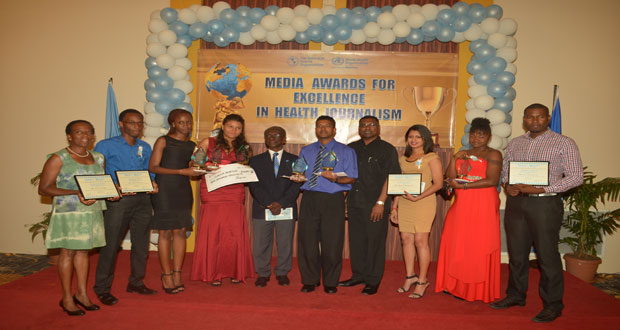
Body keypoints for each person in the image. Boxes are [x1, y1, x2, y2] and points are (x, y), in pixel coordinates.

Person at [491, 103, 583, 323]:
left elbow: (575, 176)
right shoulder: (515, 143)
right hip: (517, 203)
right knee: (517, 253)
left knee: (547, 255)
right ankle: (515, 295)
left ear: (548, 118)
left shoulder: (564, 143)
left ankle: (553, 305)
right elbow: (506, 171)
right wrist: (508, 185)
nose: (535, 120)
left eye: (539, 117)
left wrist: (543, 188)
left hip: (545, 204)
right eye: (530, 117)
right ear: (524, 119)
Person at [39, 120, 109, 315]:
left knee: (83, 253)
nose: (85, 136)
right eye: (79, 132)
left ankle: (82, 294)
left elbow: (98, 185)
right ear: (69, 136)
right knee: (67, 253)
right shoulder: (58, 158)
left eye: (89, 132)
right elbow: (44, 188)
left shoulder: (98, 157)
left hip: (91, 211)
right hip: (69, 213)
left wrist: (111, 191)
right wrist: (75, 193)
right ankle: (67, 298)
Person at [434, 118, 502, 302]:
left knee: (477, 244)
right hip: (462, 203)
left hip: (483, 202)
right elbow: (450, 176)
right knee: (457, 241)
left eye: (481, 135)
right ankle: (453, 284)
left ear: (489, 137)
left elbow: (492, 180)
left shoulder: (493, 154)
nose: (476, 138)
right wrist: (455, 158)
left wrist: (464, 187)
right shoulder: (464, 153)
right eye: (473, 134)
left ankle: (474, 290)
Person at [94, 109, 158, 305]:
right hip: (118, 201)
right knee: (111, 245)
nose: (136, 127)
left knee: (141, 244)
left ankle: (136, 282)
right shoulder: (105, 145)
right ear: (121, 124)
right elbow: (97, 172)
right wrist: (113, 187)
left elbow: (149, 171)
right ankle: (102, 289)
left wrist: (153, 183)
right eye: (132, 123)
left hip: (143, 200)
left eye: (140, 123)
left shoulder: (145, 147)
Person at [292, 115, 358, 294]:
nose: (323, 129)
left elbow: (352, 177)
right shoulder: (306, 151)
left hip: (333, 199)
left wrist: (336, 177)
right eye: (319, 126)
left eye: (327, 126)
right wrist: (297, 177)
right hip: (310, 198)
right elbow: (299, 171)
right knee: (307, 242)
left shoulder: (346, 151)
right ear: (315, 129)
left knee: (332, 243)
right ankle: (310, 280)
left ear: (334, 130)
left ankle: (330, 281)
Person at [339, 116, 401, 295]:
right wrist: (343, 200)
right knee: (356, 242)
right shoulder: (351, 148)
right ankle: (358, 275)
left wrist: (381, 202)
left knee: (374, 242)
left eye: (371, 125)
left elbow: (391, 177)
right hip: (354, 203)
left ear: (378, 128)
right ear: (359, 128)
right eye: (363, 125)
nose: (367, 128)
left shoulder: (387, 149)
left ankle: (373, 280)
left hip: (375, 204)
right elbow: (347, 176)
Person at [191, 113, 254, 285]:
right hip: (213, 192)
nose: (233, 130)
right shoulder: (207, 142)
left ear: (242, 130)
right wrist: (205, 166)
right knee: (214, 233)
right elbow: (194, 165)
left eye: (238, 128)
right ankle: (214, 273)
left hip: (234, 193)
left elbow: (246, 168)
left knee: (233, 233)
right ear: (223, 127)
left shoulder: (245, 147)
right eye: (230, 126)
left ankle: (235, 270)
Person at [149, 109, 200, 294]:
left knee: (180, 232)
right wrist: (181, 172)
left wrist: (199, 166)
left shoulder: (191, 145)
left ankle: (177, 273)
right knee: (165, 234)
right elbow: (153, 167)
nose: (186, 126)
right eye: (181, 122)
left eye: (188, 122)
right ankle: (166, 274)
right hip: (164, 190)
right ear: (172, 123)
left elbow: (191, 166)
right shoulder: (163, 141)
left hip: (183, 190)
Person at [390, 124, 443, 299]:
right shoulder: (403, 158)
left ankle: (422, 281)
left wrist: (418, 198)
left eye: (418, 137)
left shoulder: (431, 157)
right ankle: (410, 276)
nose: (413, 140)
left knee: (421, 241)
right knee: (406, 239)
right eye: (411, 137)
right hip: (405, 203)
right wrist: (395, 206)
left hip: (423, 203)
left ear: (425, 139)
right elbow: (399, 184)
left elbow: (438, 184)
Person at [248, 126, 301, 287]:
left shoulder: (295, 160)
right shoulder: (255, 161)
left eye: (276, 135)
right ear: (265, 140)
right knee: (260, 245)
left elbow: (296, 185)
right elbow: (253, 185)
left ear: (284, 139)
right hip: (262, 207)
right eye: (268, 135)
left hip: (286, 208)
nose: (271, 137)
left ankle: (282, 272)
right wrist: (269, 203)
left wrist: (281, 203)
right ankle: (262, 273)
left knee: (285, 243)